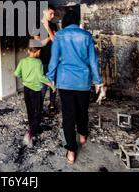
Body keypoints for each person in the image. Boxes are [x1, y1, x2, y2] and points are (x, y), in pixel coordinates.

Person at [46, 10, 103, 164]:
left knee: (69, 115)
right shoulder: (86, 36)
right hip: (83, 82)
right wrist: (98, 81)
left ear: (64, 22)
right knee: (82, 110)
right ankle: (83, 135)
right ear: (77, 21)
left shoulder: (59, 36)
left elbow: (54, 60)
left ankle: (71, 151)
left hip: (65, 82)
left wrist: (50, 77)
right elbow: (93, 61)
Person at [14, 39, 56, 147]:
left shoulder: (23, 61)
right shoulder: (38, 62)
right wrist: (51, 84)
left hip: (26, 90)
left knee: (30, 111)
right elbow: (41, 77)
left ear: (28, 51)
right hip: (36, 91)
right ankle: (29, 134)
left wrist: (25, 79)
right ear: (38, 52)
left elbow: (16, 73)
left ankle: (31, 131)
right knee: (38, 113)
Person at [33, 4, 58, 115]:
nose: (52, 16)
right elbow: (38, 43)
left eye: (53, 14)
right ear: (44, 12)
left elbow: (56, 41)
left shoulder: (53, 26)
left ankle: (52, 104)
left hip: (52, 59)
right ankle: (39, 107)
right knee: (42, 84)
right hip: (41, 60)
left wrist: (48, 28)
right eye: (50, 13)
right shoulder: (36, 26)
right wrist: (49, 37)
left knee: (53, 82)